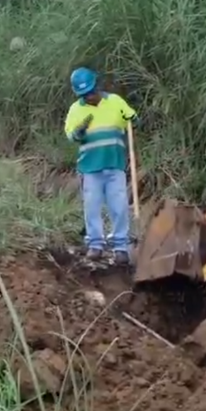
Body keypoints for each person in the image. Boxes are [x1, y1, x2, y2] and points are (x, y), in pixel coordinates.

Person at [63, 67, 137, 265]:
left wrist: (133, 118)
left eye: (91, 92)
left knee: (119, 206)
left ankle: (120, 247)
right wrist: (78, 132)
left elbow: (130, 117)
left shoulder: (115, 102)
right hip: (90, 167)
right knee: (92, 207)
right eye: (84, 95)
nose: (89, 97)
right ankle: (95, 245)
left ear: (98, 86)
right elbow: (70, 135)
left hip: (114, 164)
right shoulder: (75, 110)